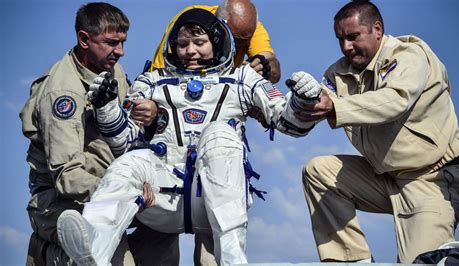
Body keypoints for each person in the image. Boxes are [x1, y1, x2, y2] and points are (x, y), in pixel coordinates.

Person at [56, 8, 320, 266]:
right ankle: (94, 246)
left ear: (216, 42)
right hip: (161, 196)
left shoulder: (242, 79)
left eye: (199, 42)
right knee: (128, 164)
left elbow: (287, 122)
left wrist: (302, 101)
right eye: (182, 44)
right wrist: (107, 108)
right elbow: (123, 140)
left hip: (212, 197)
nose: (190, 51)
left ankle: (232, 258)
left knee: (219, 134)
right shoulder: (151, 81)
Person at [291, 0, 459, 263]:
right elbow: (312, 111)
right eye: (340, 39)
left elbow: (396, 100)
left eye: (353, 37)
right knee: (319, 170)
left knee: (422, 262)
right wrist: (296, 105)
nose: (346, 47)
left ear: (377, 29)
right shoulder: (338, 73)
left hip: (433, 181)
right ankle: (352, 260)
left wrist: (334, 106)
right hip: (385, 177)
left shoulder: (410, 55)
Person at [19, 2, 177, 265]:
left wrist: (151, 117)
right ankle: (56, 256)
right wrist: (125, 189)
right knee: (112, 257)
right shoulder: (63, 94)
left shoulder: (108, 69)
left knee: (166, 229)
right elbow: (68, 178)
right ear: (84, 39)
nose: (121, 51)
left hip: (112, 191)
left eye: (123, 42)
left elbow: (126, 128)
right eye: (112, 42)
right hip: (63, 203)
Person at [150, 0, 281, 84]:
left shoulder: (250, 28)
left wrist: (264, 68)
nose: (235, 47)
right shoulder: (189, 20)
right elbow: (162, 74)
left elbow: (272, 66)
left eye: (242, 42)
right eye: (232, 39)